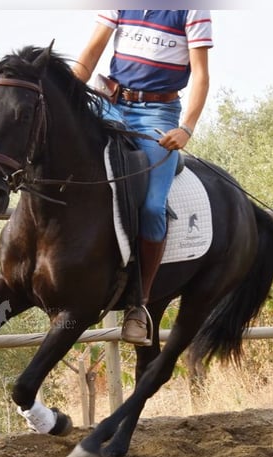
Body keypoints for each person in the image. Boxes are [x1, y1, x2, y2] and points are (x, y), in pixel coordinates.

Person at [72, 10, 212, 346]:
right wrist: (65, 92)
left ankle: (138, 304)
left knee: (151, 206)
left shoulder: (193, 10)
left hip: (158, 114)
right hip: (109, 102)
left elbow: (202, 76)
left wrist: (186, 129)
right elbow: (91, 52)